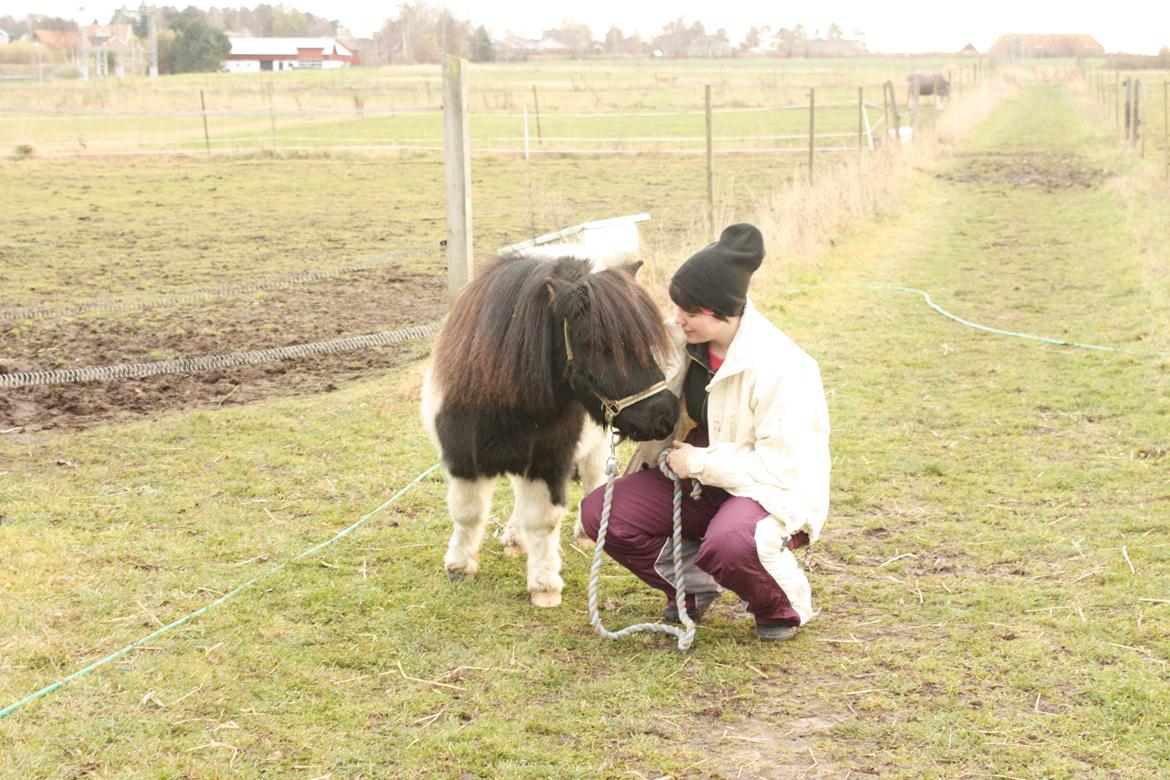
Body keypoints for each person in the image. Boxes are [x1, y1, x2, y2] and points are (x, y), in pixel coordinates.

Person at [579, 223, 830, 641]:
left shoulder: (785, 368)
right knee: (601, 514)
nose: (676, 319)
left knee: (730, 542)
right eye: (676, 307)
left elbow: (781, 469)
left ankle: (782, 606)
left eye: (689, 312)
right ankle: (693, 587)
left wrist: (698, 461)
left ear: (725, 312)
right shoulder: (676, 337)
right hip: (692, 474)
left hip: (765, 488)